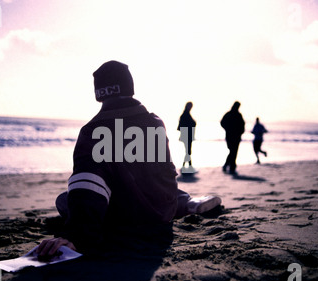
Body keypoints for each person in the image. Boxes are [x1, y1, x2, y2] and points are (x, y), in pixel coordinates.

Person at [37, 61, 221, 257]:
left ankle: (184, 202)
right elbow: (164, 176)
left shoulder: (93, 132)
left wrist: (74, 236)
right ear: (129, 87)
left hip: (128, 220)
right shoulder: (155, 123)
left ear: (99, 94)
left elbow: (87, 188)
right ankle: (188, 203)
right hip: (163, 211)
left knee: (65, 199)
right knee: (149, 183)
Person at [220, 101, 245, 174]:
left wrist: (240, 132)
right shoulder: (230, 114)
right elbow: (222, 123)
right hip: (231, 136)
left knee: (233, 151)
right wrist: (228, 129)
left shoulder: (237, 115)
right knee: (233, 151)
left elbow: (242, 125)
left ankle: (230, 166)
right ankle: (230, 166)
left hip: (235, 136)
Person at [177, 101, 196, 171]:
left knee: (188, 152)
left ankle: (187, 166)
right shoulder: (185, 115)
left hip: (188, 135)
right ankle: (187, 166)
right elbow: (181, 127)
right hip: (186, 136)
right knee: (188, 152)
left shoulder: (186, 114)